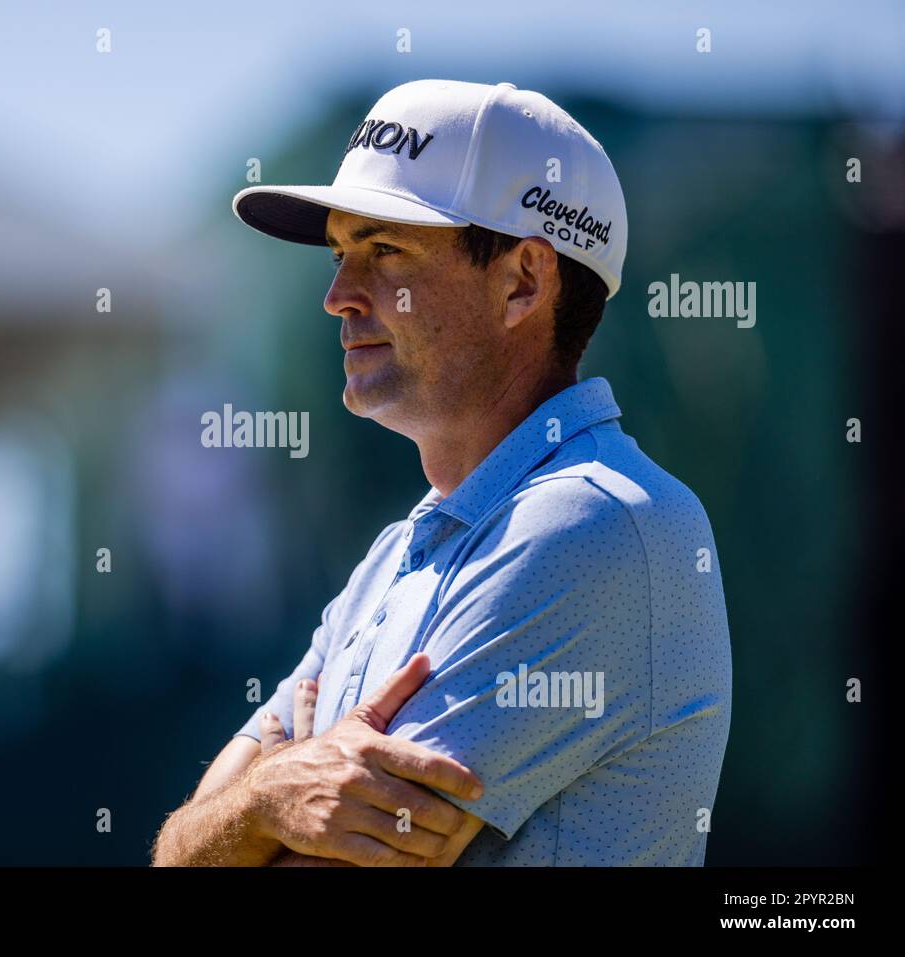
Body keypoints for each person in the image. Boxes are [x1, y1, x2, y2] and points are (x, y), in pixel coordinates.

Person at [152, 79, 731, 867]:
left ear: (523, 280)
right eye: (339, 251)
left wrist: (258, 805)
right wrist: (265, 800)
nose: (337, 296)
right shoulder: (391, 557)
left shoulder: (596, 522)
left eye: (386, 250)